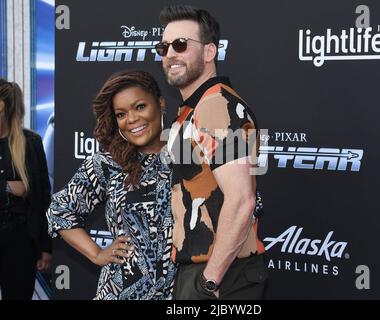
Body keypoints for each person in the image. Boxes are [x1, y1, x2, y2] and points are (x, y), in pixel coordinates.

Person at [156, 5, 267, 300]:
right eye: (164, 47)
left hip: (222, 275)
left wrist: (209, 281)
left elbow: (242, 199)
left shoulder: (216, 107)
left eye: (181, 45)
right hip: (206, 270)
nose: (170, 54)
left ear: (209, 52)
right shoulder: (196, 108)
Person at [46, 70, 176, 300]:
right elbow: (60, 209)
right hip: (120, 292)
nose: (132, 120)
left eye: (140, 107)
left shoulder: (188, 156)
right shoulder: (108, 163)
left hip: (180, 292)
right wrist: (97, 253)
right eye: (121, 114)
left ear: (161, 104)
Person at [0, 79, 52, 300]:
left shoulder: (31, 142)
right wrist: (7, 187)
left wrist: (45, 246)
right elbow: (17, 188)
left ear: (6, 109)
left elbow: (41, 199)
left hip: (21, 244)